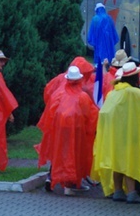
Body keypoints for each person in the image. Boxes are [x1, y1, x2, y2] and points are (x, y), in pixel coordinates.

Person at [92, 62, 140, 203]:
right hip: (128, 133)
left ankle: (118, 191)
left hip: (113, 134)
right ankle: (132, 193)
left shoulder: (113, 92)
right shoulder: (133, 93)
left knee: (116, 161)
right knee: (129, 162)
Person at [36, 66, 99, 196]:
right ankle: (70, 184)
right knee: (75, 155)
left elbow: (50, 114)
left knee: (62, 153)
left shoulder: (59, 95)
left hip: (60, 130)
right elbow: (91, 115)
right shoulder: (82, 96)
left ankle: (58, 179)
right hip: (77, 131)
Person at [88, 2, 119, 105]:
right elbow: (114, 36)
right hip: (109, 49)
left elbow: (90, 37)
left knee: (99, 67)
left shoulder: (95, 19)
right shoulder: (109, 19)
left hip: (99, 50)